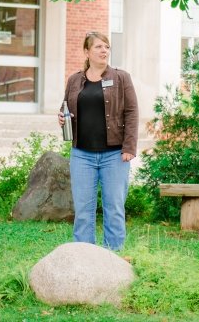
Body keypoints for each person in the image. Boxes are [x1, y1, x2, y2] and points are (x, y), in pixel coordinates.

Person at [58, 31, 138, 251]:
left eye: (106, 47)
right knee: (83, 209)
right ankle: (84, 257)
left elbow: (132, 112)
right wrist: (62, 117)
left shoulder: (121, 78)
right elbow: (66, 107)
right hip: (81, 154)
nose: (104, 51)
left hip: (114, 155)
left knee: (114, 208)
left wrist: (129, 147)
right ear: (87, 52)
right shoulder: (75, 80)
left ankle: (114, 258)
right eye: (98, 47)